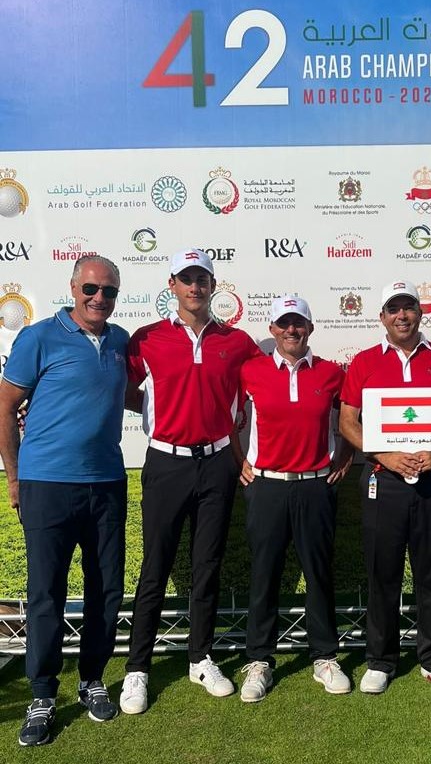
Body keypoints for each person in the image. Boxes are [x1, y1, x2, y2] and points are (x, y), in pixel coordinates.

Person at [119, 248, 260, 714]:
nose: (195, 287)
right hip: (166, 462)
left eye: (202, 280)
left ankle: (200, 658)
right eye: (186, 279)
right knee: (155, 567)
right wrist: (158, 413)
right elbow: (124, 390)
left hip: (217, 463)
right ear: (172, 285)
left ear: (213, 286)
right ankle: (137, 668)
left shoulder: (236, 341)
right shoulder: (147, 338)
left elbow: (261, 390)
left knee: (207, 565)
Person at [0, 256, 129, 746]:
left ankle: (92, 679)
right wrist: (15, 477)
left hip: (107, 484)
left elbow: (133, 396)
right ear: (74, 288)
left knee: (106, 590)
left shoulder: (120, 341)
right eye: (91, 288)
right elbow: (5, 406)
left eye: (109, 291)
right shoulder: (38, 337)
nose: (99, 298)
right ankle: (42, 693)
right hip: (46, 485)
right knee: (46, 593)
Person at [339, 280, 431, 694]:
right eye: (394, 309)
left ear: (420, 313)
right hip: (383, 480)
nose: (402, 316)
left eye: (409, 308)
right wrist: (383, 455)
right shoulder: (364, 362)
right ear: (382, 317)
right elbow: (347, 422)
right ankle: (381, 659)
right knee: (382, 572)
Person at [233, 296, 354, 702]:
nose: (291, 330)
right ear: (272, 330)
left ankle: (325, 657)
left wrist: (346, 456)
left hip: (315, 486)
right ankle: (259, 660)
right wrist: (238, 460)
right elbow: (228, 418)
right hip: (267, 485)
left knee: (319, 573)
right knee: (264, 574)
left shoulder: (331, 373)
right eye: (284, 323)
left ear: (310, 327)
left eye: (298, 323)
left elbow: (352, 419)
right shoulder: (250, 371)